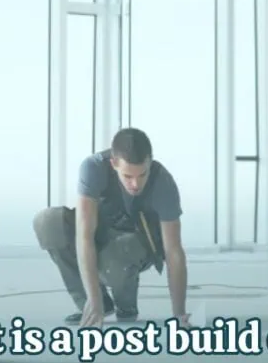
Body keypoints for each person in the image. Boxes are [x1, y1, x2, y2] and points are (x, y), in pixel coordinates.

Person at [32, 128, 189, 328]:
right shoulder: (93, 168)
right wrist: (94, 298)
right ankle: (93, 306)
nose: (135, 184)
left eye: (142, 175)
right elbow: (84, 235)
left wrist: (179, 314)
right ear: (114, 163)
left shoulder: (162, 181)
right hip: (102, 233)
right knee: (48, 222)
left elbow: (174, 251)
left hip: (135, 244)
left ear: (149, 161)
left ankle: (126, 306)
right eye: (127, 176)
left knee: (123, 248)